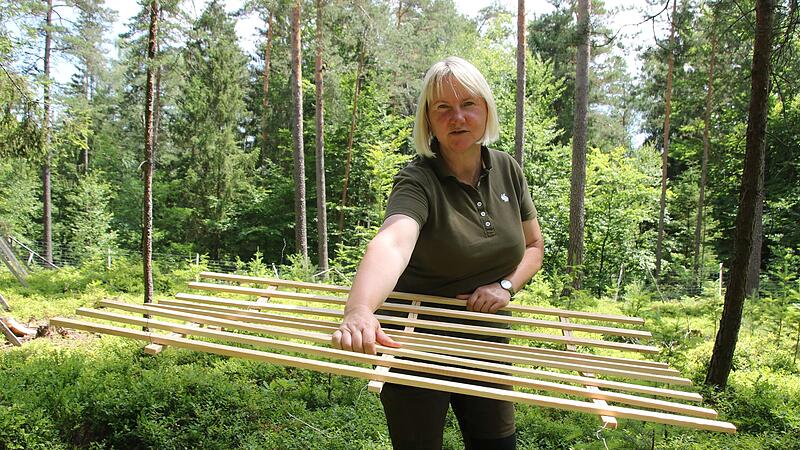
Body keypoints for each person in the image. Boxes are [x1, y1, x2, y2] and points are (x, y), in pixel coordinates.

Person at [331, 56, 544, 450]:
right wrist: (358, 310)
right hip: (414, 339)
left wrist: (506, 286)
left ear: (486, 110)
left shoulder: (508, 169)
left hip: (485, 337)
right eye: (442, 108)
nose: (457, 117)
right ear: (428, 119)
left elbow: (533, 246)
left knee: (496, 444)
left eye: (468, 104)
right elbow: (393, 241)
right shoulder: (418, 179)